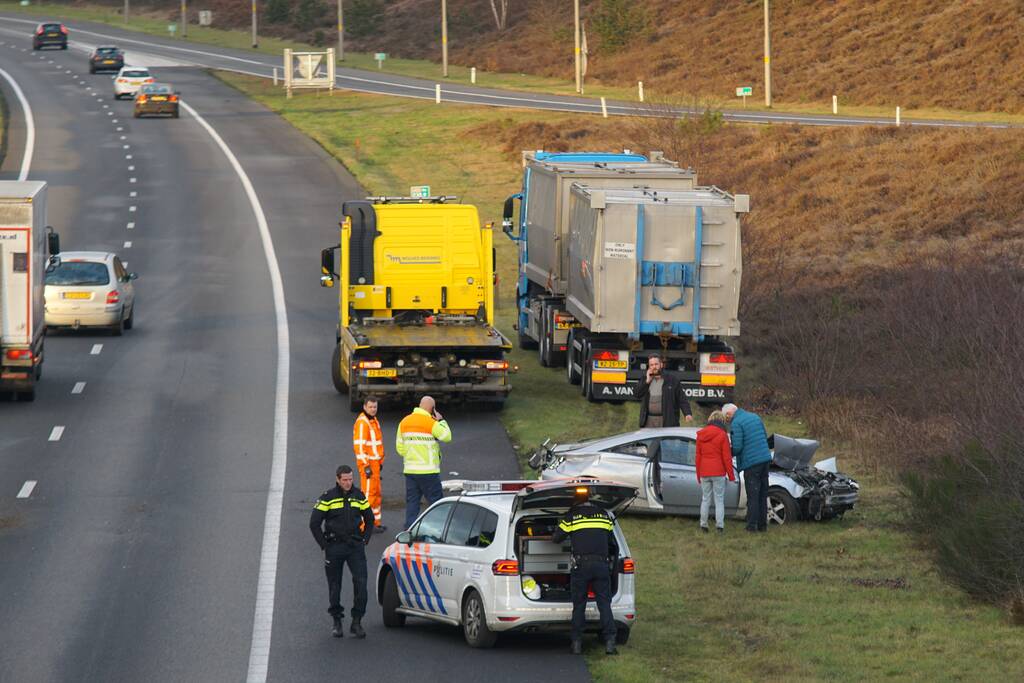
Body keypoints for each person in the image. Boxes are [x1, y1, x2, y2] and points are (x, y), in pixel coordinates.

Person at [309, 465, 375, 638]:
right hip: (335, 547)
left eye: (350, 479)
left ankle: (356, 622)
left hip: (354, 547)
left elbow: (370, 518)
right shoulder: (328, 497)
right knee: (334, 586)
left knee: (361, 583)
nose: (348, 483)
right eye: (344, 480)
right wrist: (324, 545)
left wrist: (365, 539)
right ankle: (337, 621)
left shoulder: (358, 496)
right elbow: (314, 523)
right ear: (338, 479)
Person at [551, 489, 619, 656]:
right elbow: (611, 540)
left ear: (575, 501)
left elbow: (556, 538)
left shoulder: (572, 516)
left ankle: (576, 644)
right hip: (601, 565)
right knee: (604, 604)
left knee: (579, 605)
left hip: (581, 566)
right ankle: (610, 643)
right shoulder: (603, 515)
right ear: (589, 499)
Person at [395, 396, 452, 530]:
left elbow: (400, 448)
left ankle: (409, 530)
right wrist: (441, 420)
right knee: (436, 503)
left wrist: (412, 455)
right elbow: (447, 437)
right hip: (429, 471)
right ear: (432, 409)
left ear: (420, 405)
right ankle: (439, 530)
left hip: (410, 471)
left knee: (412, 503)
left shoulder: (404, 422)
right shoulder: (431, 422)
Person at [722, 403, 772, 532]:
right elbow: (764, 436)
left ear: (729, 414)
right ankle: (762, 526)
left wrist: (727, 452)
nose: (727, 421)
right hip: (765, 459)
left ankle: (751, 526)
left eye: (726, 418)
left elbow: (737, 447)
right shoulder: (755, 416)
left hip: (752, 463)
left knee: (753, 496)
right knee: (762, 494)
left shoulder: (736, 423)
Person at [695, 410, 736, 533]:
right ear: (722, 420)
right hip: (718, 471)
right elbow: (727, 457)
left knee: (705, 499)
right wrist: (731, 475)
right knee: (719, 500)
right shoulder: (722, 435)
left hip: (704, 471)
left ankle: (703, 525)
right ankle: (719, 526)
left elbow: (698, 457)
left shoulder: (701, 435)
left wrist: (698, 474)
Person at [353, 395, 386, 533]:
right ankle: (362, 526)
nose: (373, 409)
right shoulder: (363, 423)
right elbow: (359, 447)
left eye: (375, 407)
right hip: (368, 465)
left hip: (375, 464)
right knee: (368, 496)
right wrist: (365, 466)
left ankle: (375, 523)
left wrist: (379, 462)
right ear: (365, 407)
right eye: (370, 407)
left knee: (376, 495)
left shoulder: (373, 420)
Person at [635, 354, 694, 428]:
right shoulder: (645, 379)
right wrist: (647, 382)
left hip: (667, 421)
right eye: (651, 365)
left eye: (656, 364)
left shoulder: (672, 380)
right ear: (649, 366)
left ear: (661, 365)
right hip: (648, 421)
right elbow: (637, 394)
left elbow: (682, 398)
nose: (654, 367)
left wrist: (687, 413)